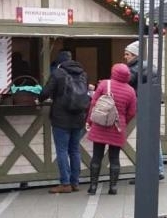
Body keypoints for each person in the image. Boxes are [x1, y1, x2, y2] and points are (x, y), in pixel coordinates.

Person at [38, 49, 89, 193]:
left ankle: (65, 183)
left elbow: (45, 92)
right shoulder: (83, 73)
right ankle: (75, 182)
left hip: (61, 118)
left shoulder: (58, 73)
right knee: (75, 150)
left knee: (62, 150)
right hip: (79, 117)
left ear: (59, 62)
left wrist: (39, 99)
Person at [85, 63, 138, 195]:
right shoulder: (131, 91)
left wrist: (89, 120)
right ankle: (113, 187)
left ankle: (93, 186)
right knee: (114, 158)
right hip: (117, 127)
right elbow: (132, 112)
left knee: (96, 156)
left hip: (100, 124)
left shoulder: (104, 84)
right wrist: (122, 120)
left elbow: (94, 104)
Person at [124, 40, 165, 182]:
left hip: (144, 105)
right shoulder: (148, 65)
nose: (125, 57)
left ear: (135, 55)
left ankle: (148, 172)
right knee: (153, 138)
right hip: (152, 104)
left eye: (127, 54)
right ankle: (158, 169)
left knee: (145, 139)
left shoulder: (136, 68)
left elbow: (126, 82)